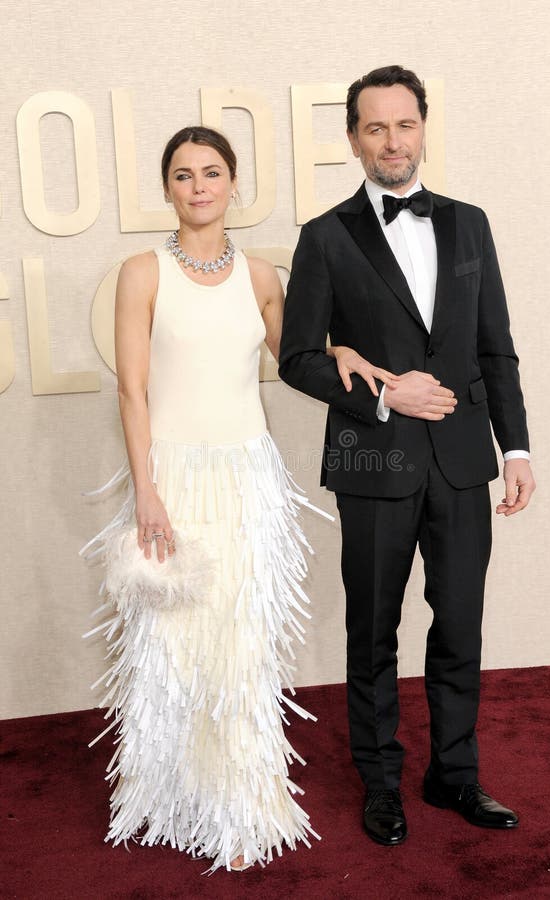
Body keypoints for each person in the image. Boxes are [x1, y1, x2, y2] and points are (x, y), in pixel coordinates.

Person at [82, 125, 376, 872]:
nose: (199, 186)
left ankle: (239, 810)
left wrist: (337, 349)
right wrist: (146, 491)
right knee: (173, 651)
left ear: (232, 182)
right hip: (173, 480)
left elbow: (296, 358)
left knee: (239, 651)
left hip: (247, 479)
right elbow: (132, 390)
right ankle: (174, 802)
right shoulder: (141, 273)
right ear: (168, 188)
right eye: (183, 175)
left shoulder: (262, 278)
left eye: (211, 172)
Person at [279, 65, 536, 847]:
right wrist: (386, 396)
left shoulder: (470, 224)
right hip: (373, 462)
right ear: (353, 139)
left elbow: (495, 347)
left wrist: (515, 446)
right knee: (373, 632)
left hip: (463, 462)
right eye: (375, 127)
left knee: (459, 625)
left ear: (423, 127)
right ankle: (381, 783)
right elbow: (298, 357)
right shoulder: (324, 237)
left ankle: (453, 774)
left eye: (405, 124)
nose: (393, 141)